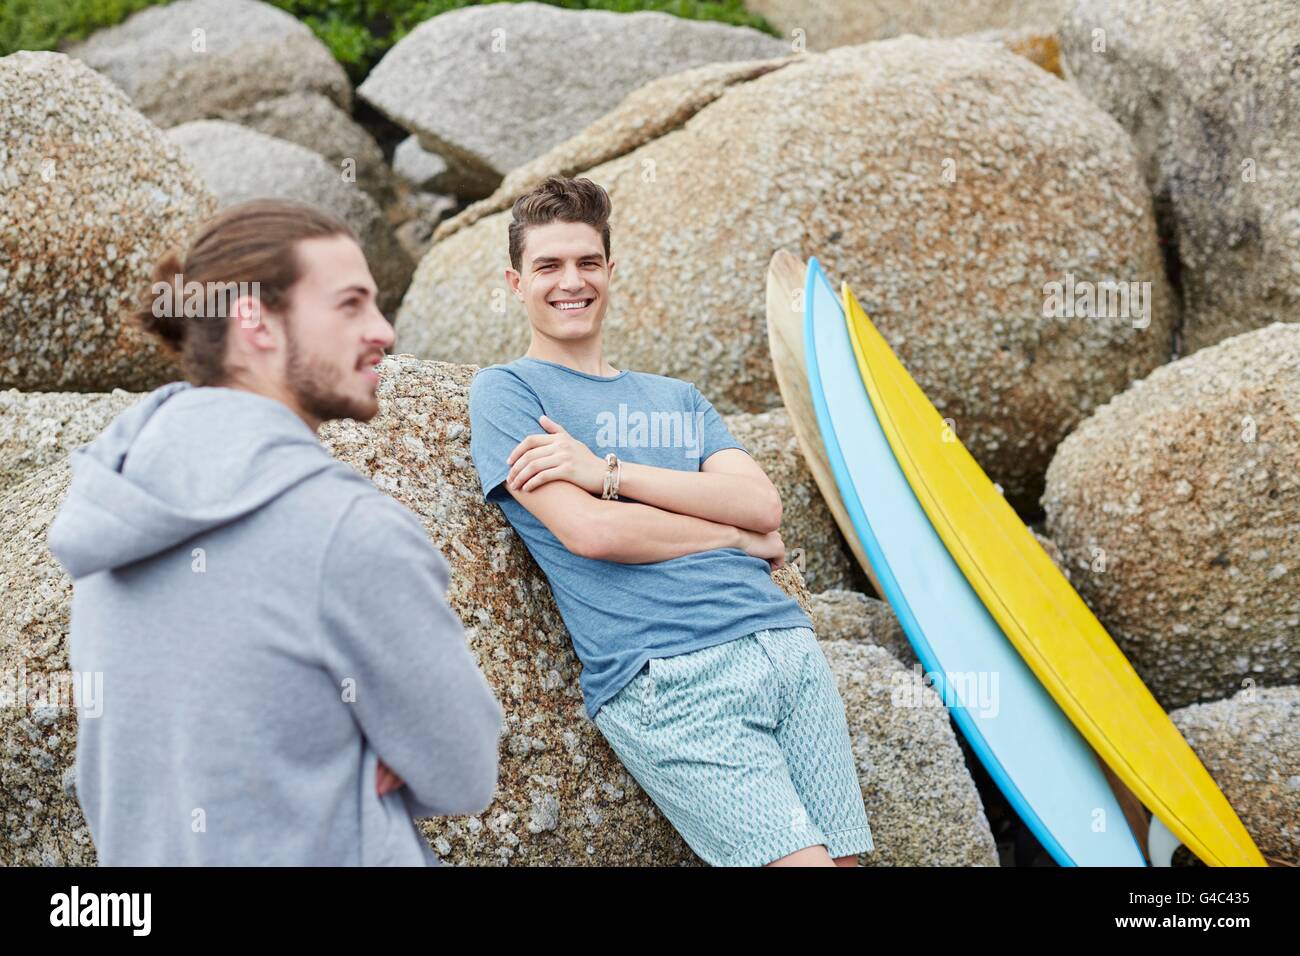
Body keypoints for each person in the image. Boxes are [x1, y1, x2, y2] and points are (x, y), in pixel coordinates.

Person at [46, 199, 503, 866]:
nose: (384, 331)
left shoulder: (112, 505)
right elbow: (464, 770)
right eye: (350, 304)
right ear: (254, 321)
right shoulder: (348, 530)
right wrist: (375, 752)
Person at [468, 176, 874, 867]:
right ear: (515, 282)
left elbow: (763, 507)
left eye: (587, 262)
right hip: (670, 673)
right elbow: (594, 534)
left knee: (846, 864)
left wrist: (606, 473)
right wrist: (733, 539)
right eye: (549, 266)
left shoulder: (677, 398)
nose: (572, 281)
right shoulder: (508, 392)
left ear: (611, 271)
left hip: (785, 647)